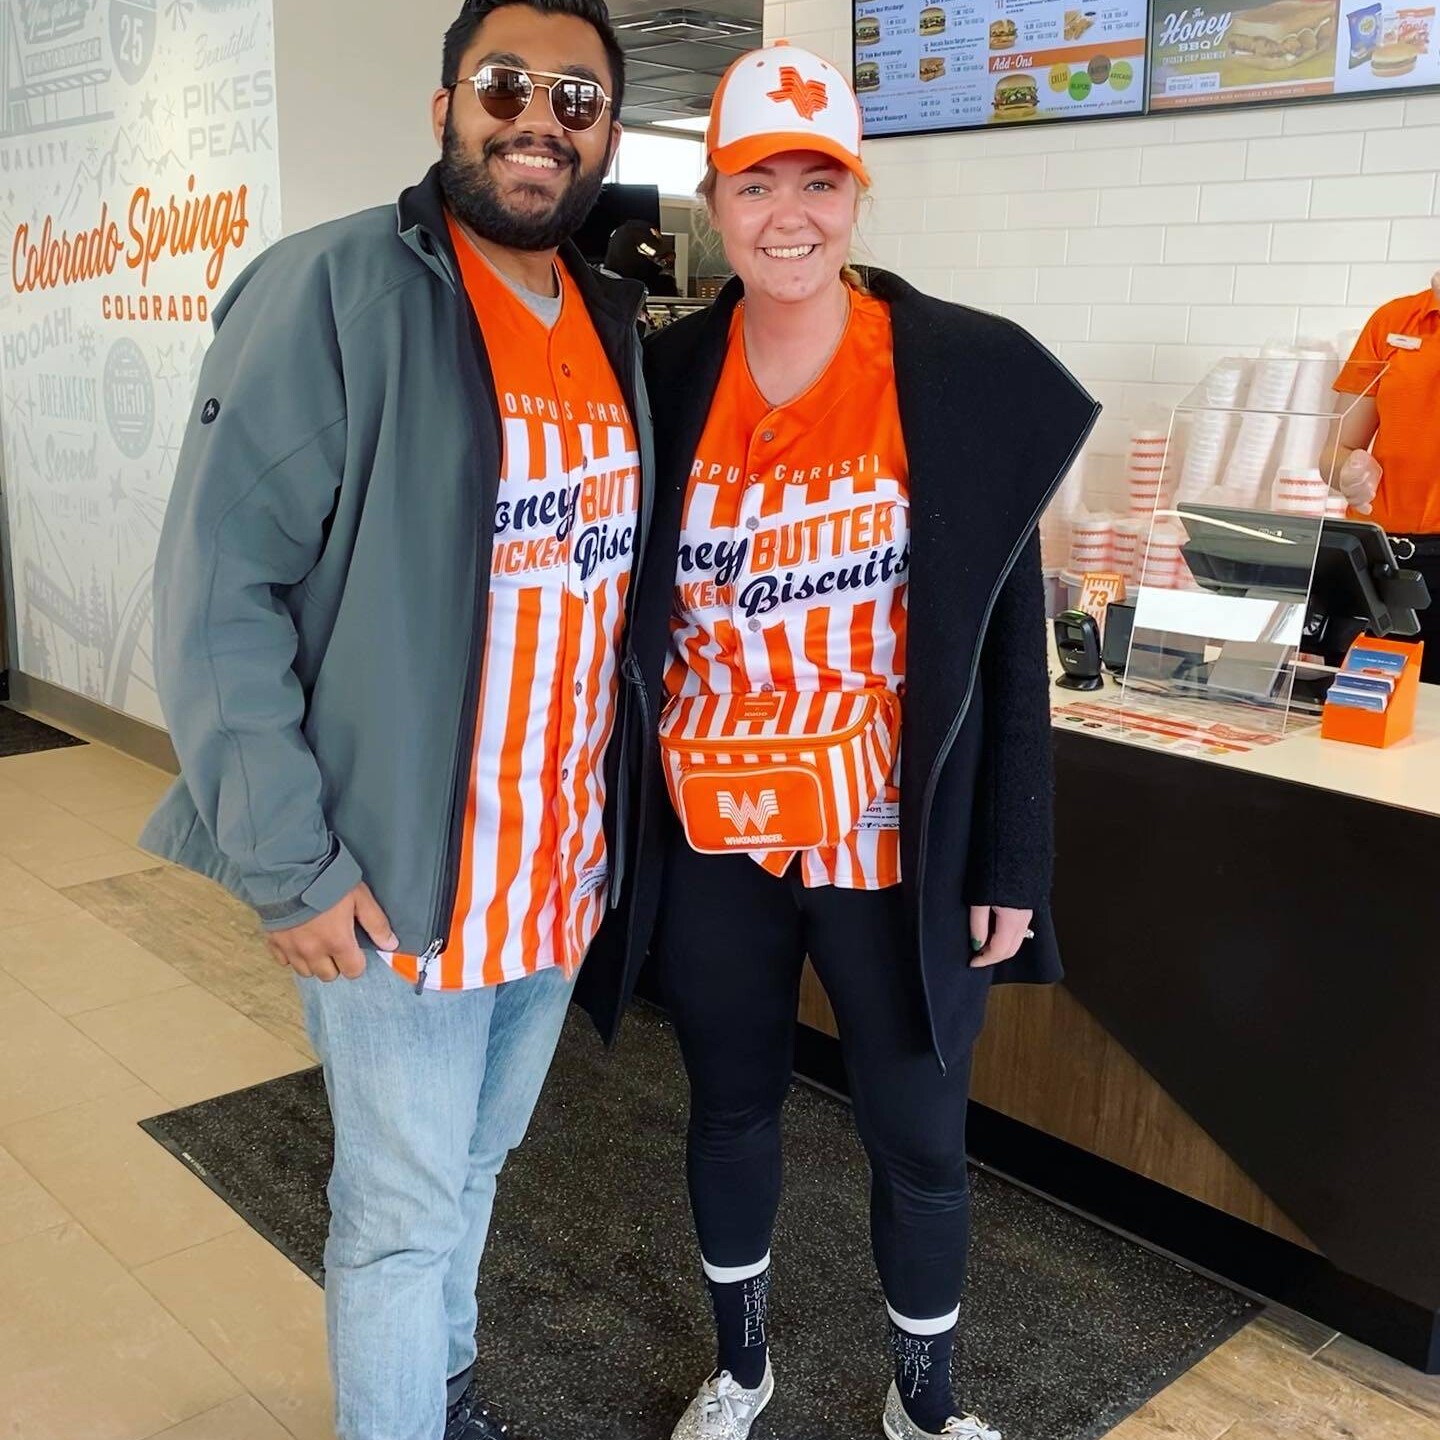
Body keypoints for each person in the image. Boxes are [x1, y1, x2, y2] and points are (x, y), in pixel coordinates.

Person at [140, 2, 658, 1436]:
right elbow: (216, 594)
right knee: (396, 1215)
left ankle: (439, 1394)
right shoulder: (329, 295)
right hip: (394, 882)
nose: (539, 117)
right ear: (444, 106)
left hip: (551, 871)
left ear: (608, 132)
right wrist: (290, 862)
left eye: (576, 95)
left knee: (470, 1179)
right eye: (505, 84)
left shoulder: (608, 324)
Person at [585, 41, 1099, 1440]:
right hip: (717, 837)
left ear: (857, 193)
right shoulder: (663, 374)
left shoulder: (957, 375)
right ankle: (740, 1369)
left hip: (894, 844)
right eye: (759, 182)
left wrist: (1014, 854)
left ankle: (924, 1403)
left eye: (820, 178)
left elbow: (1009, 644)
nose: (789, 213)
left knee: (922, 1134)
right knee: (732, 1103)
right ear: (716, 193)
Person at [1332, 269, 1440, 682]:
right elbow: (1335, 450)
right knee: (1357, 721)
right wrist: (1348, 471)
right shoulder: (1394, 320)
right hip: (1379, 563)